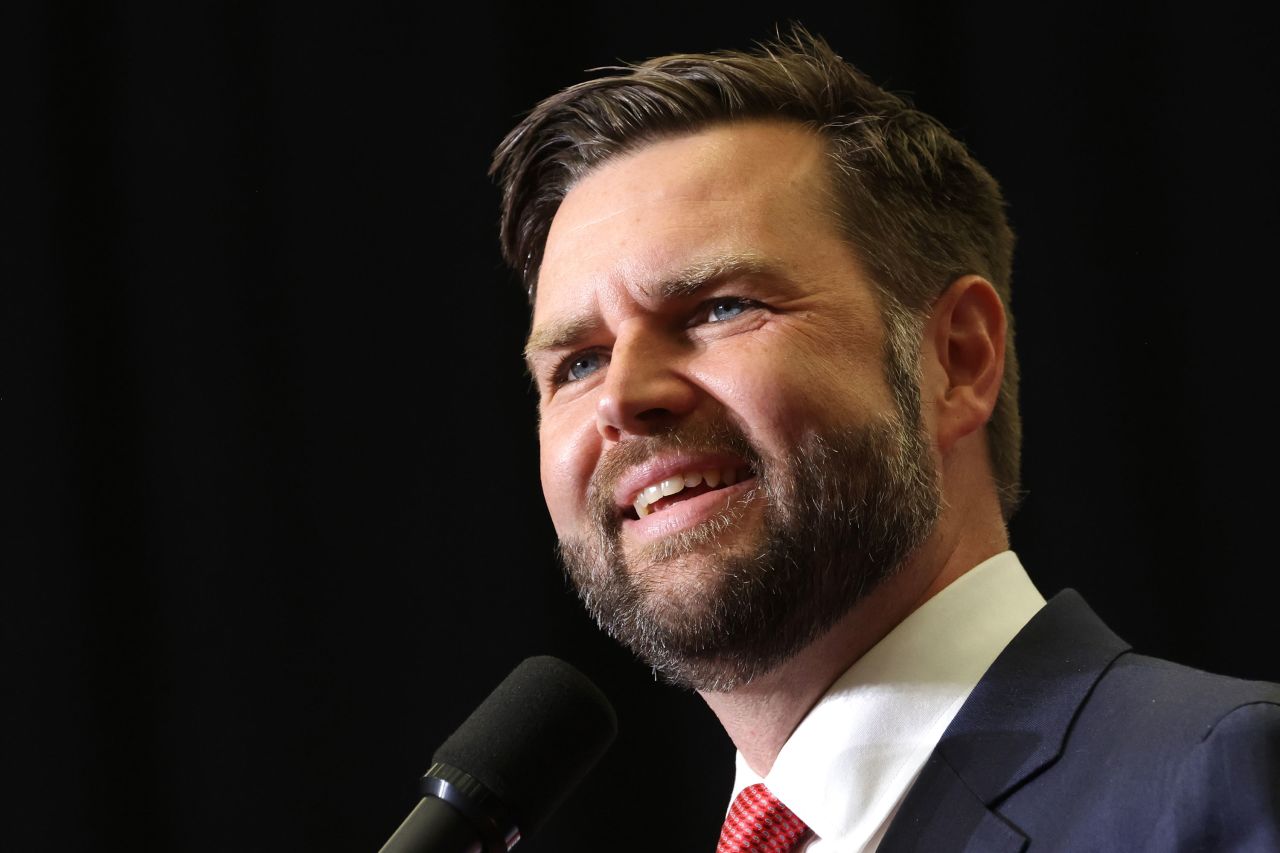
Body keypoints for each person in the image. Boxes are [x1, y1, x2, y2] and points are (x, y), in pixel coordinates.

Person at [490, 27, 1280, 852]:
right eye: (578, 361)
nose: (623, 395)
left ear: (957, 359)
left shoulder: (1221, 782)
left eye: (719, 307)